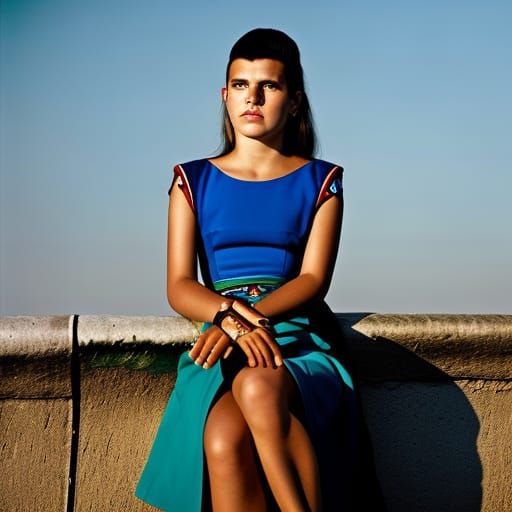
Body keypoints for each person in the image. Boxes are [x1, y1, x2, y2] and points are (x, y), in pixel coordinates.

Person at [135, 27, 386, 512]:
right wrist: (229, 320)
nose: (253, 97)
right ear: (225, 96)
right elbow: (179, 285)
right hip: (222, 336)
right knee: (223, 442)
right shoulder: (191, 179)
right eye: (240, 84)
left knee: (256, 384)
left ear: (293, 101)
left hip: (296, 337)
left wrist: (247, 321)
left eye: (269, 85)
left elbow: (313, 281)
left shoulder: (322, 181)